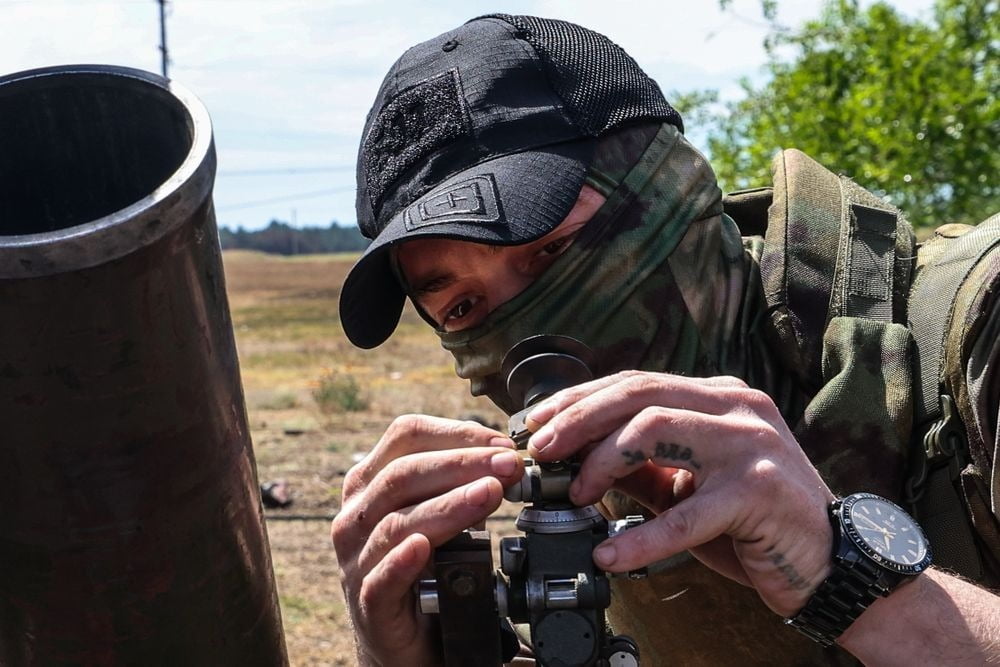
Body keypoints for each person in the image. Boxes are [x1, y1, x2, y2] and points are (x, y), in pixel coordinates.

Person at [331, 13, 1000, 666]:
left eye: (551, 250)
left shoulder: (980, 335)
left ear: (670, 186)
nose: (528, 333)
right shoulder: (603, 486)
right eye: (464, 306)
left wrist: (849, 578)